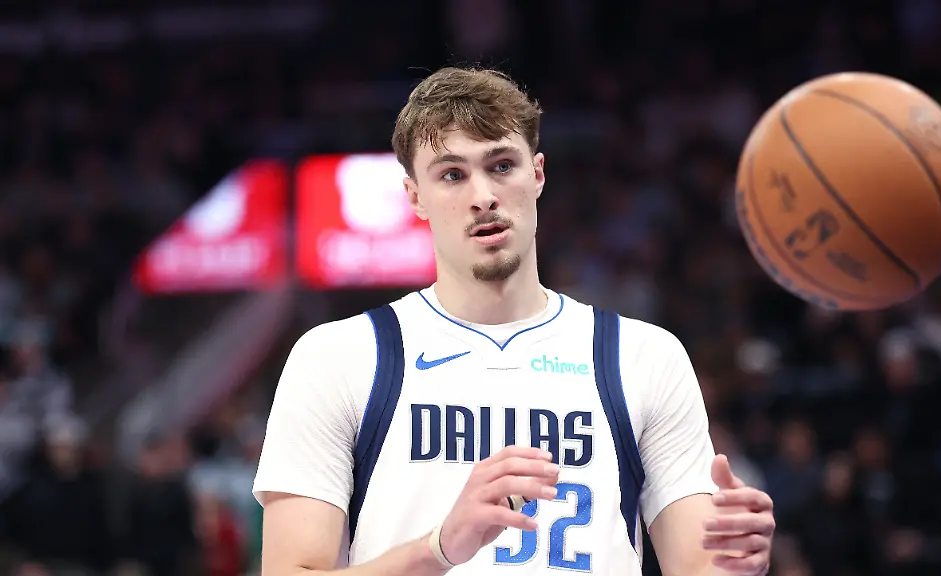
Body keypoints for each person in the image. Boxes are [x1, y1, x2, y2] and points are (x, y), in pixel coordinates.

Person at [253, 67, 775, 575]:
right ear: (415, 197)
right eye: (452, 175)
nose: (483, 196)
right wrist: (439, 548)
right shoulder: (339, 357)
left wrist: (732, 564)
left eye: (501, 165)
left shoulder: (644, 358)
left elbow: (696, 565)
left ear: (538, 174)